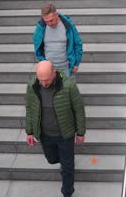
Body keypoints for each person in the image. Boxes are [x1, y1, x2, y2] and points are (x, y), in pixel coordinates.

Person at [25, 60, 86, 197]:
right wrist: (29, 131)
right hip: (45, 135)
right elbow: (30, 108)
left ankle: (67, 192)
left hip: (65, 135)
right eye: (40, 80)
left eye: (46, 80)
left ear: (54, 73)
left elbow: (79, 109)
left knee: (67, 166)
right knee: (52, 159)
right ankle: (63, 163)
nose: (43, 83)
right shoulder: (32, 85)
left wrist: (80, 132)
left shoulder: (69, 85)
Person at [33, 3, 83, 77]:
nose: (49, 24)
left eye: (51, 20)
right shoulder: (40, 27)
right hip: (48, 69)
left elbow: (77, 43)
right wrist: (43, 61)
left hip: (66, 67)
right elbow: (37, 46)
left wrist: (76, 63)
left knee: (67, 88)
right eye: (46, 21)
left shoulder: (68, 25)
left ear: (56, 14)